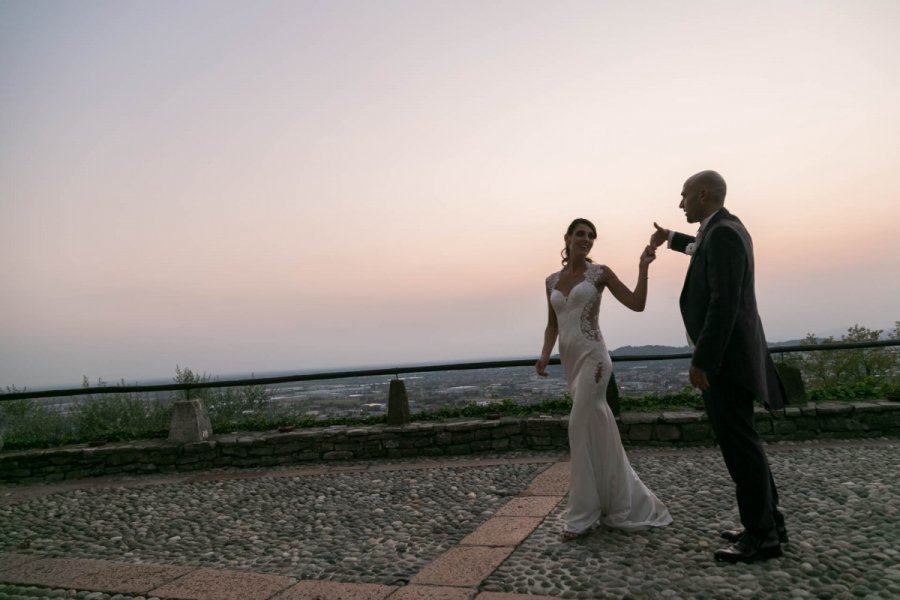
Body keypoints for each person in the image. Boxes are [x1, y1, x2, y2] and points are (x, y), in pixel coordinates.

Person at [649, 170, 787, 563]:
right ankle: (770, 522)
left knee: (740, 449)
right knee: (747, 445)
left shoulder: (723, 233)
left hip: (726, 363)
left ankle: (762, 537)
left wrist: (703, 360)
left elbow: (723, 303)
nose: (680, 203)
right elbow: (699, 247)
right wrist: (671, 238)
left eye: (684, 196)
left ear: (703, 194)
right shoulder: (726, 228)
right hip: (736, 358)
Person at [535, 218, 672, 539]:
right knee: (597, 429)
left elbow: (637, 304)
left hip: (594, 358)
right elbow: (553, 324)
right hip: (570, 361)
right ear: (567, 238)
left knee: (577, 425)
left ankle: (581, 515)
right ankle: (616, 501)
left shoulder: (601, 274)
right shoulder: (550, 280)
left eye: (591, 236)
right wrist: (544, 354)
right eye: (580, 234)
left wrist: (643, 267)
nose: (586, 239)